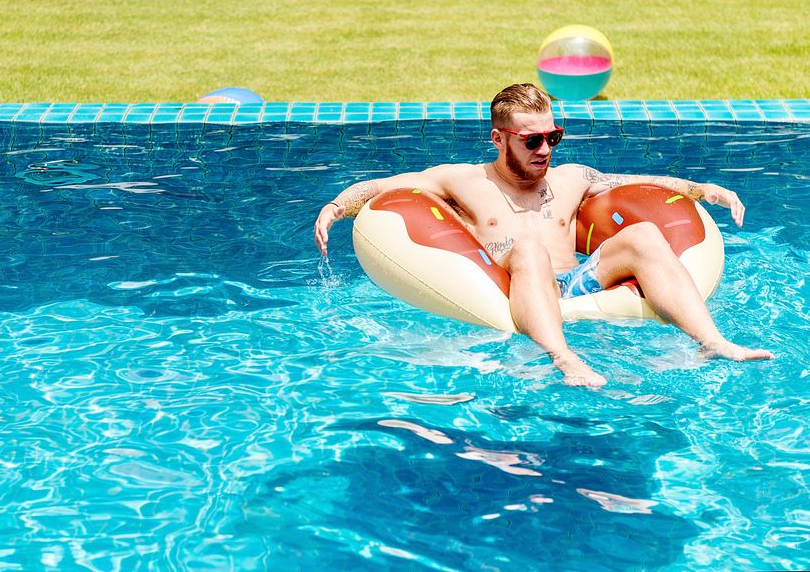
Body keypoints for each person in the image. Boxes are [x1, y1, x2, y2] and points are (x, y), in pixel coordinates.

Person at [313, 83, 774, 387]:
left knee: (648, 234)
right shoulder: (461, 181)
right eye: (531, 140)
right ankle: (564, 358)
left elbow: (640, 181)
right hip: (509, 286)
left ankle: (713, 342)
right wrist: (337, 207)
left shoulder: (573, 177)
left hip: (576, 283)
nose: (544, 150)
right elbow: (385, 187)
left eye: (552, 137)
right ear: (499, 139)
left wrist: (702, 189)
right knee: (529, 248)